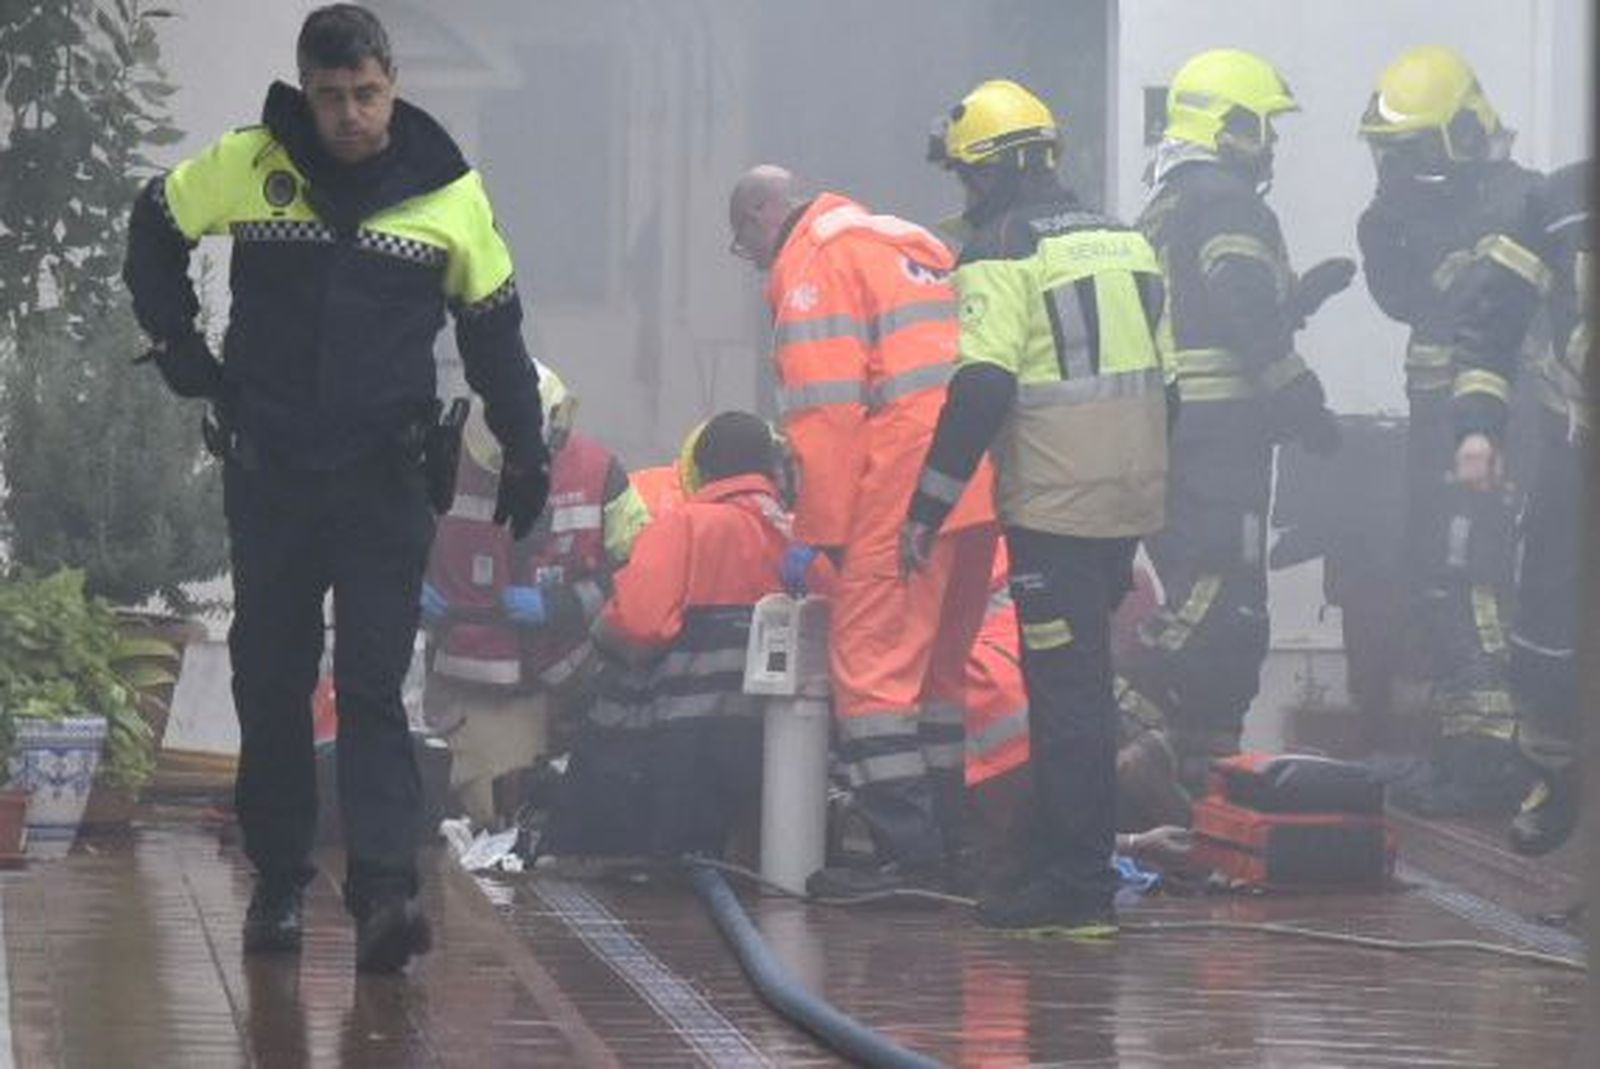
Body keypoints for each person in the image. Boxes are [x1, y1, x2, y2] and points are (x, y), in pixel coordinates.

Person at [122, 4, 549, 973]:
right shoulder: (250, 163)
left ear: (391, 83)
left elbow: (494, 333)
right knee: (269, 680)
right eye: (329, 96)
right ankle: (278, 880)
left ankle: (385, 895)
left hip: (381, 483)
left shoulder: (448, 194)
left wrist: (524, 452)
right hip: (270, 475)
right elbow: (154, 225)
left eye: (366, 94)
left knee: (370, 686)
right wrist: (178, 344)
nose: (350, 114)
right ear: (305, 91)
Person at [904, 79, 1170, 933]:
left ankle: (1076, 887)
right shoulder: (1127, 240)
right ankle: (1070, 871)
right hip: (1119, 499)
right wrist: (1127, 517)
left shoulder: (1002, 249)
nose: (965, 196)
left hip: (1053, 503)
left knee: (1068, 696)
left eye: (966, 178)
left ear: (991, 172)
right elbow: (1168, 393)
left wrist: (927, 506)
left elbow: (981, 386)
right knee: (1083, 685)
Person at [727, 165, 999, 895]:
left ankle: (908, 861)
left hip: (902, 476)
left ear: (761, 214)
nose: (752, 261)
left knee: (870, 668)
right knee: (939, 675)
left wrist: (825, 531)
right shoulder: (905, 238)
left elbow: (828, 416)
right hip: (977, 477)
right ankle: (951, 848)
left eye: (743, 243)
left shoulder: (812, 266)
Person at [1119, 49, 1347, 787]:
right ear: (1224, 125)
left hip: (1175, 434)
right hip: (1218, 440)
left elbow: (1202, 307)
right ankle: (1117, 706)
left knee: (1222, 603)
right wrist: (1299, 398)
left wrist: (1297, 303)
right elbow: (1239, 304)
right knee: (1220, 596)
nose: (1269, 144)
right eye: (1258, 125)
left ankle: (1199, 772)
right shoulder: (1229, 201)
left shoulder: (1169, 203)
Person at [1356, 46, 1542, 816]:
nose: (1401, 168)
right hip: (1443, 422)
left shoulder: (1517, 205)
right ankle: (1464, 751)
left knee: (1476, 574)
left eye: (1415, 150)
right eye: (1390, 152)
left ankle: (1491, 761)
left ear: (1465, 130)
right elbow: (1407, 302)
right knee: (1438, 572)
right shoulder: (1419, 210)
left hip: (1498, 422)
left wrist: (1482, 430)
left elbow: (1483, 320)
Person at [593, 411, 833, 859]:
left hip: (683, 748)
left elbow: (636, 623)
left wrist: (601, 636)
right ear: (771, 466)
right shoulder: (802, 539)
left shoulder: (683, 526)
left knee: (676, 878)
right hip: (782, 751)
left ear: (701, 469)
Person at [421, 363, 647, 826]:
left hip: (576, 678)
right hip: (476, 687)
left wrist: (562, 605)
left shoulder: (599, 473)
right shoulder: (442, 462)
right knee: (490, 813)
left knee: (572, 810)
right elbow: (382, 539)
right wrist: (406, 588)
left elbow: (639, 572)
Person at [1450, 160, 1591, 855]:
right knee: (1547, 614)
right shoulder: (1560, 202)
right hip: (1578, 443)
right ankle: (1553, 776)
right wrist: (1479, 425)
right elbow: (1491, 316)